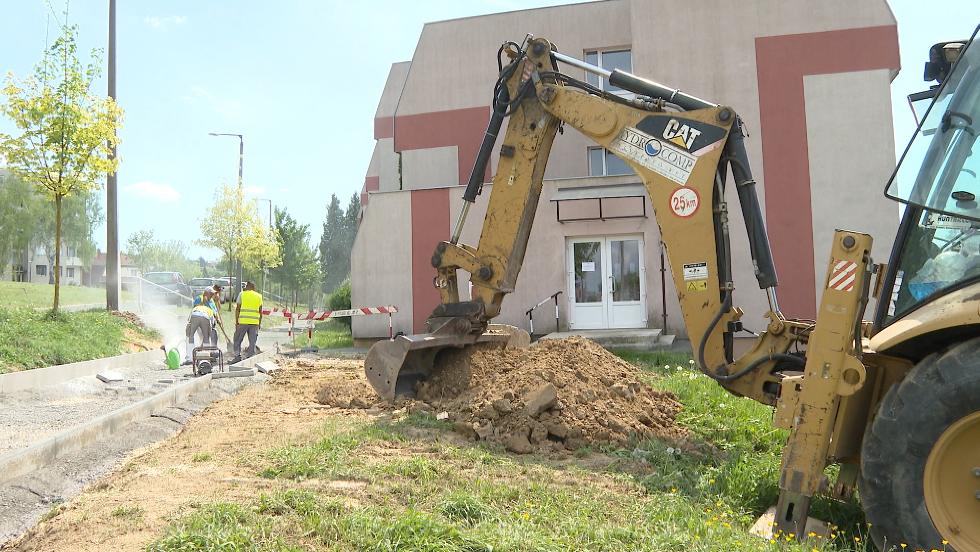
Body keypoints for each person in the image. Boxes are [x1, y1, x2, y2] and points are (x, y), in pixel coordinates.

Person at [183, 288, 218, 364]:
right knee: (206, 337)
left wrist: (188, 331)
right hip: (206, 317)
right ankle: (205, 357)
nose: (212, 295)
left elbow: (189, 319)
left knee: (190, 336)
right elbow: (211, 324)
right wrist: (209, 331)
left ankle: (190, 358)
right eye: (211, 293)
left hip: (194, 315)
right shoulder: (209, 310)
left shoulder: (199, 307)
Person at [232, 281, 262, 362]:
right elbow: (260, 311)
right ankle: (251, 357)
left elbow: (238, 308)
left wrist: (237, 321)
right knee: (252, 341)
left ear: (248, 286)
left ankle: (237, 356)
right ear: (253, 287)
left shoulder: (242, 294)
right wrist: (259, 323)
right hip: (254, 322)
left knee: (237, 339)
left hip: (243, 321)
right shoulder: (259, 296)